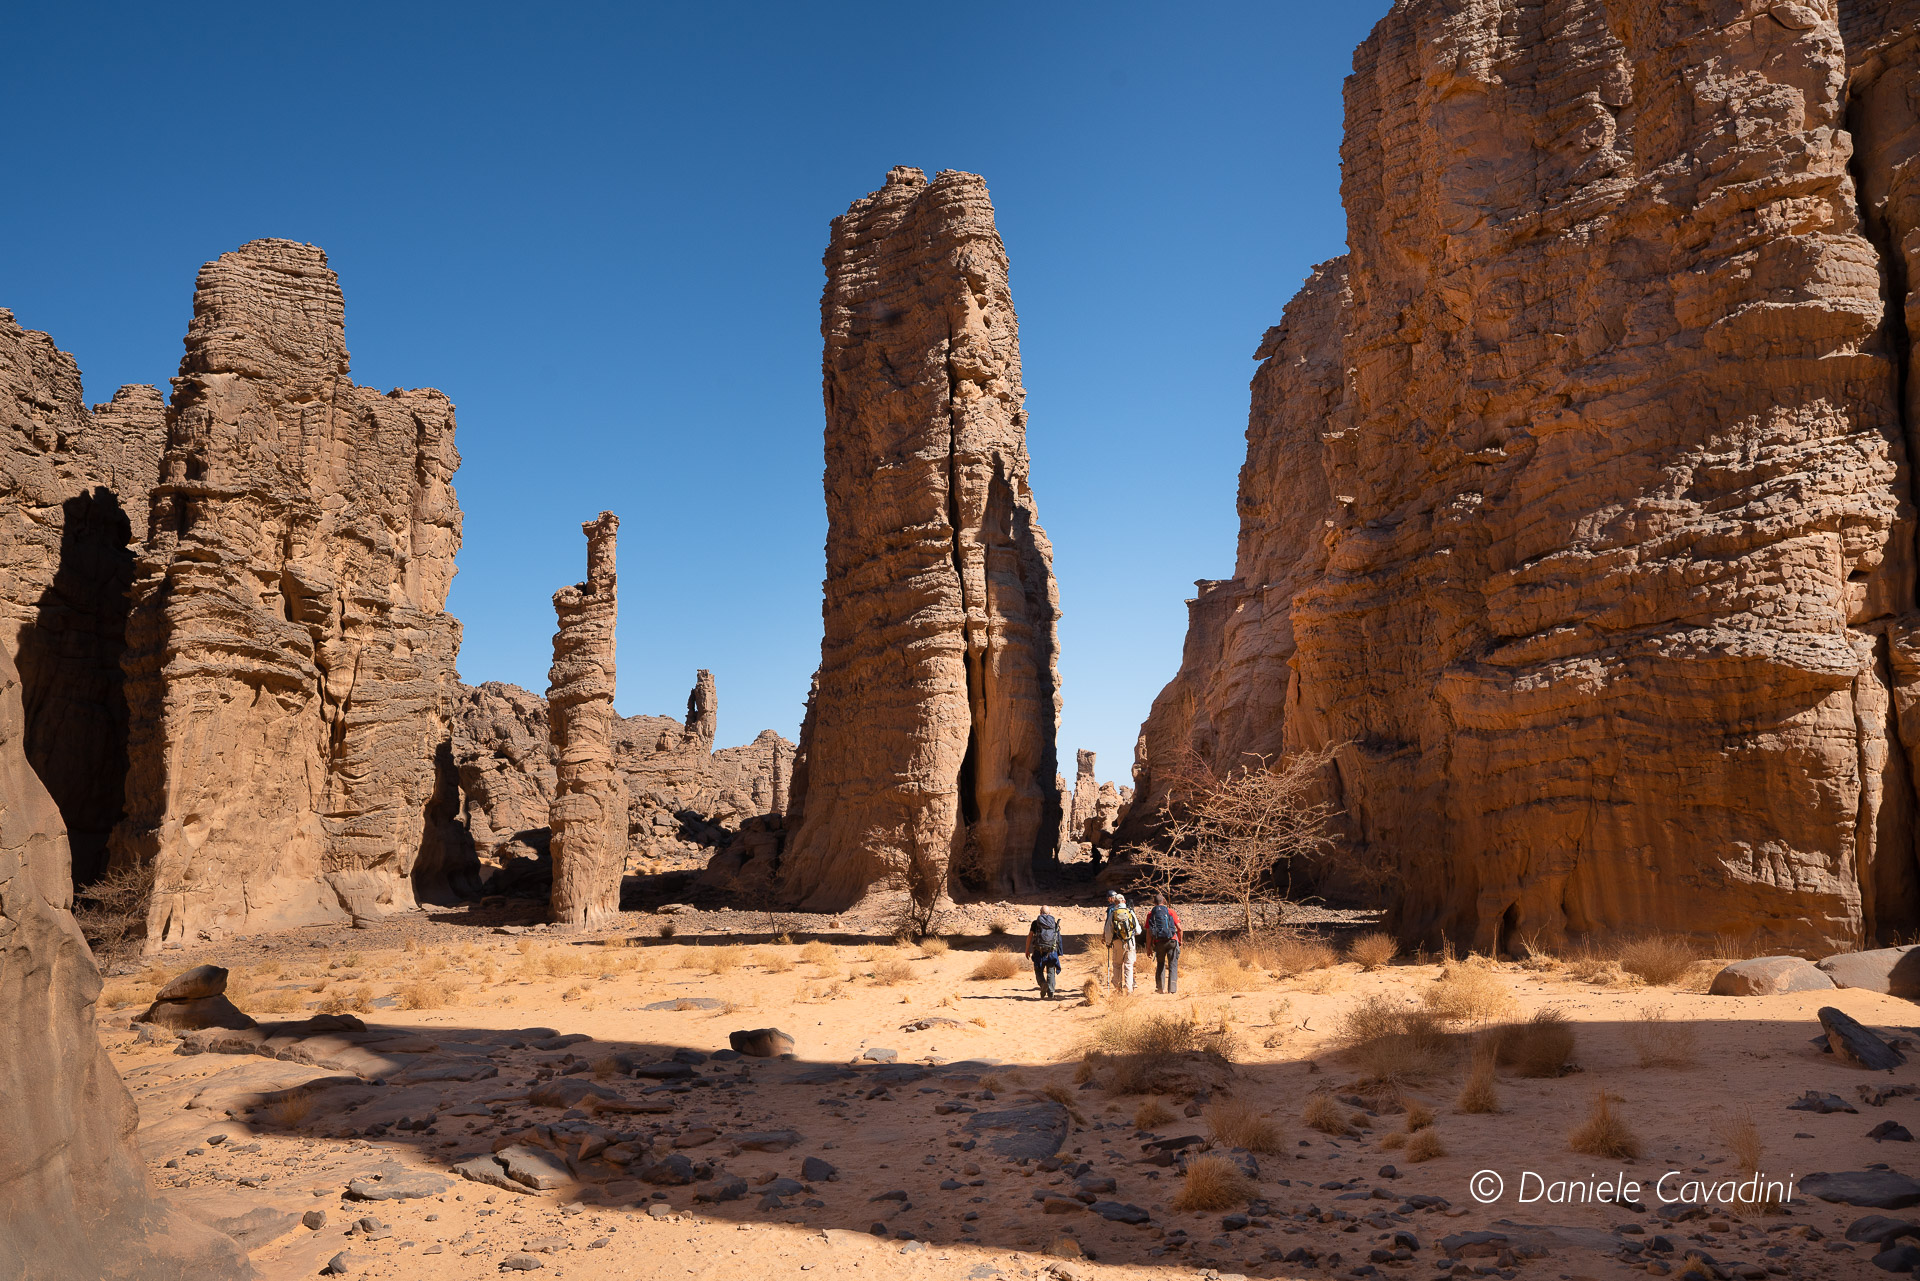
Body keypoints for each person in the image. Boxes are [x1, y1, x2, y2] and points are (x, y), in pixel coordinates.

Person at [1102, 891, 1141, 993]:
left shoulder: (1113, 913)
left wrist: (1108, 943)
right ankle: (1129, 989)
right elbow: (1139, 931)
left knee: (1117, 965)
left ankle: (1118, 989)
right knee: (1129, 965)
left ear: (1115, 902)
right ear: (1124, 901)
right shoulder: (1130, 912)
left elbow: (1108, 931)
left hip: (1117, 943)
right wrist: (1129, 934)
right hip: (1130, 942)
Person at [1144, 891, 1183, 994]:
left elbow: (1148, 933)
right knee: (1173, 965)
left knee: (1160, 964)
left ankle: (1160, 989)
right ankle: (1172, 990)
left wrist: (1148, 948)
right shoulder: (1170, 911)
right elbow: (1179, 928)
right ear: (1164, 901)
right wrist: (1180, 940)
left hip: (1158, 942)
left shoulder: (1150, 913)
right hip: (1172, 940)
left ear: (1154, 902)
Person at [1025, 907, 1063, 999]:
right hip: (1051, 951)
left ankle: (1042, 984)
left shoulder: (1035, 923)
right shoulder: (1054, 923)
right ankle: (1051, 992)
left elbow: (1030, 937)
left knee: (1038, 970)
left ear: (1040, 912)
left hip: (1039, 952)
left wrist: (1027, 950)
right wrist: (1059, 952)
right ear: (1049, 913)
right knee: (1051, 971)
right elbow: (1058, 938)